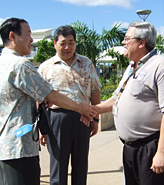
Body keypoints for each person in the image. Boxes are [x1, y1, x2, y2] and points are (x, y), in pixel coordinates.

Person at [0, 18, 97, 185]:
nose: (32, 40)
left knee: (80, 165)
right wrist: (81, 108)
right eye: (28, 34)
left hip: (8, 144)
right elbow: (50, 96)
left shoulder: (1, 63)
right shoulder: (20, 65)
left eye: (71, 42)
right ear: (12, 36)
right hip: (20, 146)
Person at [94, 21, 164, 185]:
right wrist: (90, 110)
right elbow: (115, 99)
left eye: (127, 39)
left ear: (141, 43)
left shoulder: (162, 66)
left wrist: (162, 152)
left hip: (151, 146)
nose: (123, 42)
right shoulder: (132, 66)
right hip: (131, 148)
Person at [37, 25, 101, 185]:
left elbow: (95, 91)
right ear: (54, 43)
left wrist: (96, 119)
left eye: (71, 42)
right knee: (58, 166)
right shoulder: (46, 67)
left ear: (75, 43)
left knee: (81, 165)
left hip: (83, 120)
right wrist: (42, 128)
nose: (67, 47)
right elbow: (39, 99)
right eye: (63, 43)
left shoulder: (86, 63)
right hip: (56, 120)